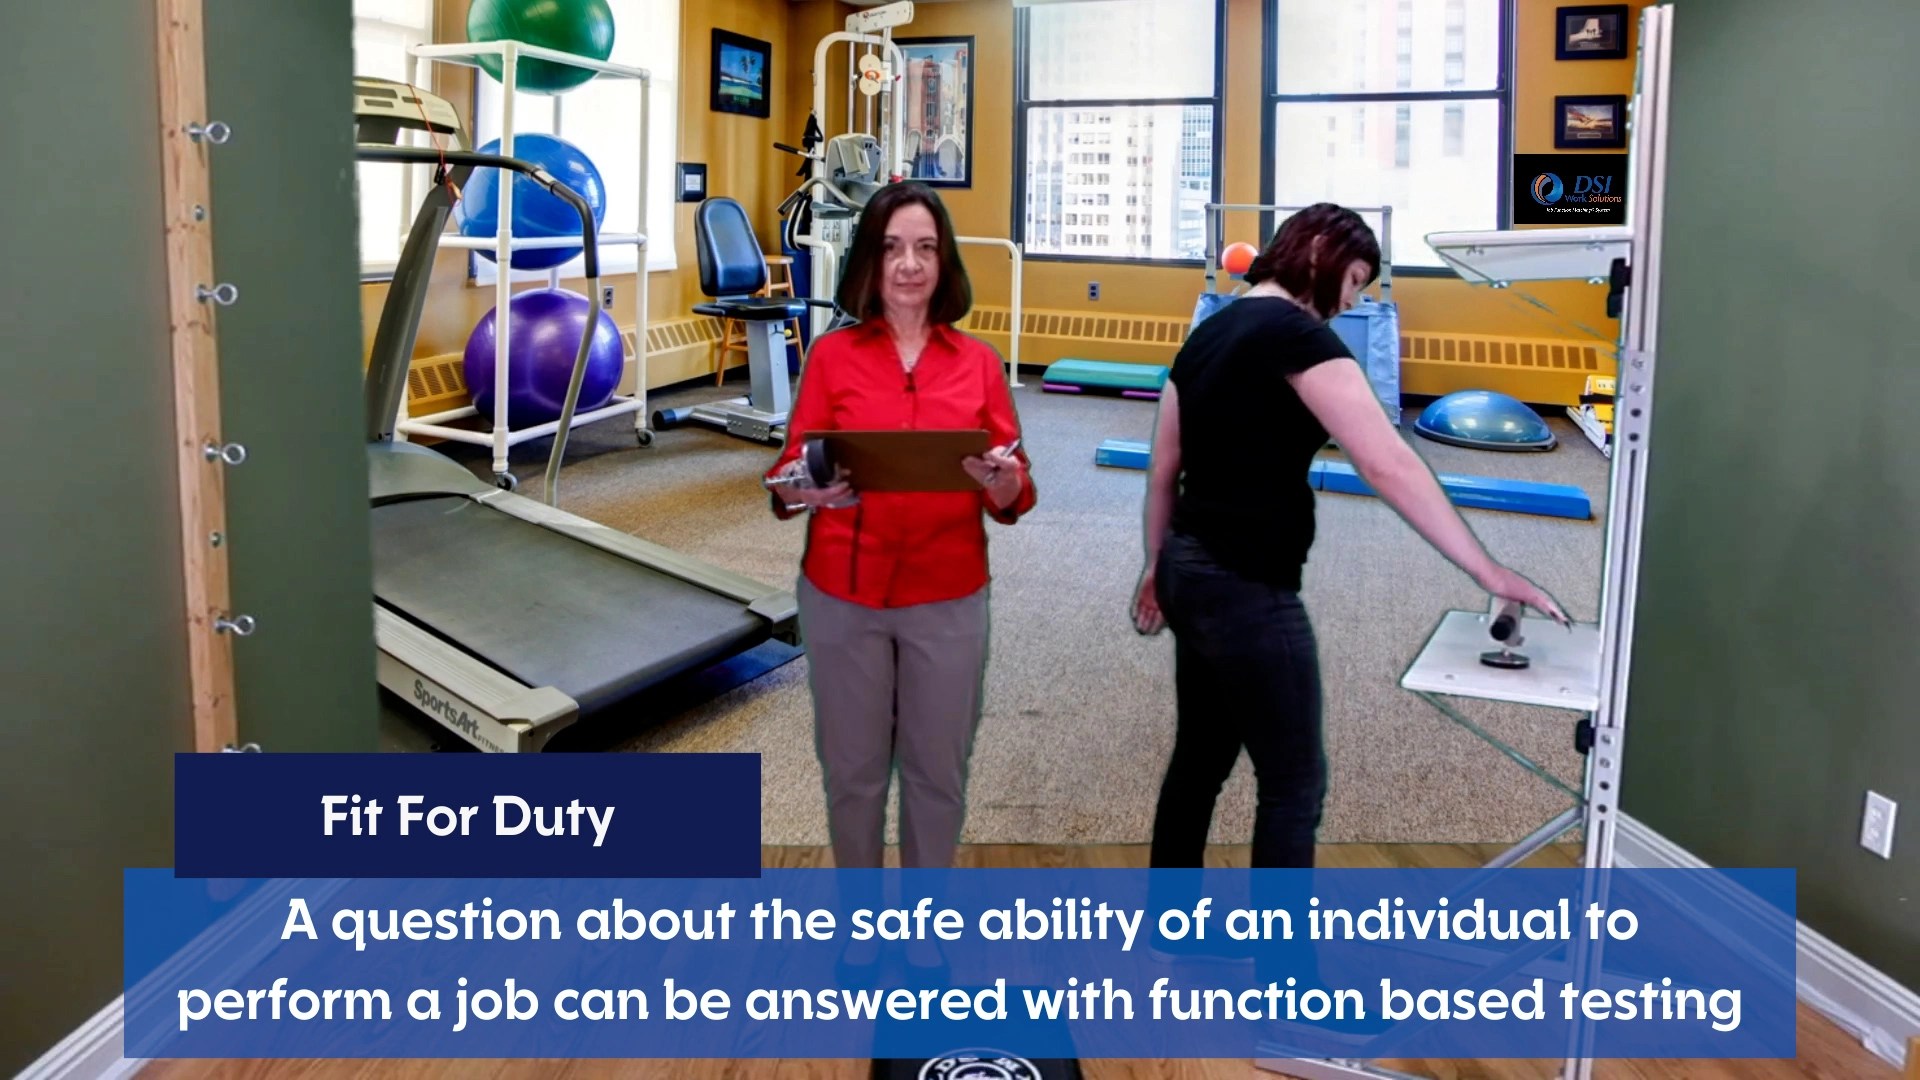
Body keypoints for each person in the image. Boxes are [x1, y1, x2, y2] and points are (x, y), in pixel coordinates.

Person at [1130, 203, 1567, 870]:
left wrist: (1158, 565)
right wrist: (1491, 572)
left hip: (1189, 567)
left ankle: (1174, 936)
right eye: (1354, 278)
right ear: (1317, 257)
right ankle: (1286, 975)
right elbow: (1385, 461)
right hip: (1245, 584)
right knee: (1292, 783)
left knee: (1200, 760)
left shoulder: (1208, 334)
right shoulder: (1296, 334)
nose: (1352, 298)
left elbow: (1164, 469)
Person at [765, 182, 1036, 872]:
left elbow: (1015, 479)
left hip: (947, 597)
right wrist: (804, 489)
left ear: (944, 262)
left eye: (924, 248)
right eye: (891, 249)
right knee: (853, 777)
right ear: (869, 262)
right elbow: (791, 470)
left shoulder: (976, 362)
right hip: (842, 596)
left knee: (936, 777)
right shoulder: (832, 356)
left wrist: (1005, 481)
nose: (909, 264)